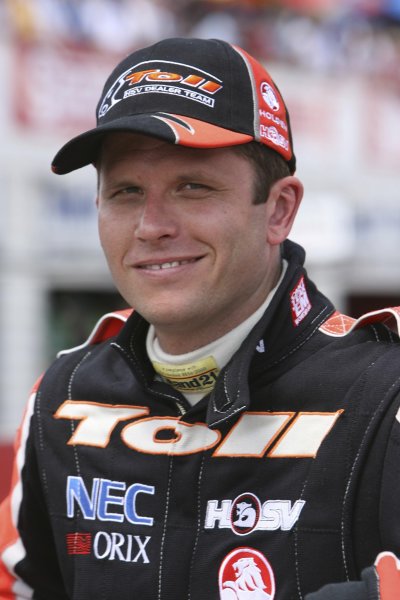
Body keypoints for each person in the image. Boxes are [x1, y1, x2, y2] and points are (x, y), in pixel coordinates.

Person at [0, 37, 400, 600]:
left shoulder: (384, 396)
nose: (150, 225)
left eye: (192, 187)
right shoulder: (66, 393)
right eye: (125, 191)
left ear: (279, 209)